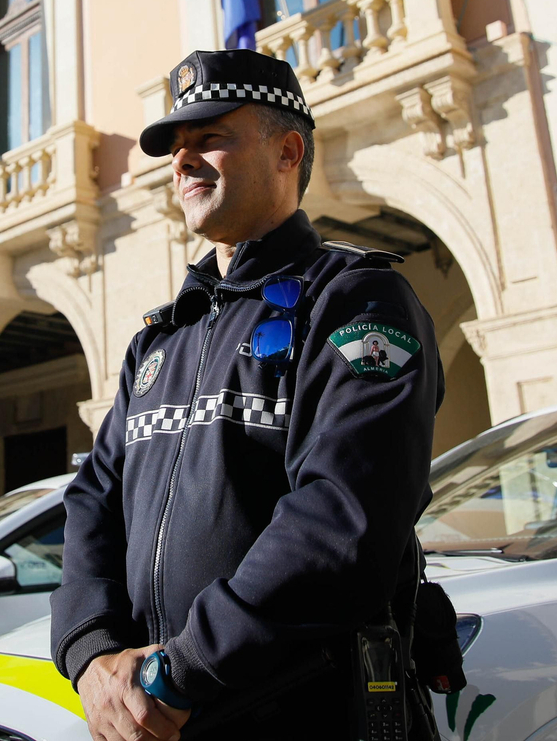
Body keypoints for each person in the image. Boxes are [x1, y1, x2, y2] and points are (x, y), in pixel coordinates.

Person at [52, 49, 444, 741]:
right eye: (176, 147)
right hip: (153, 719)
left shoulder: (356, 303)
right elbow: (94, 499)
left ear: (288, 152)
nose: (183, 161)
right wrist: (92, 655)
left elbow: (343, 519)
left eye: (210, 138)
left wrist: (179, 672)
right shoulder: (161, 339)